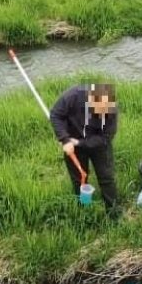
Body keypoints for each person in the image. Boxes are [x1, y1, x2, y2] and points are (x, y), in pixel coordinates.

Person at [49, 83, 120, 216]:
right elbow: (55, 115)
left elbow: (106, 137)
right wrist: (64, 139)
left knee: (107, 178)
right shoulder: (72, 96)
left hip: (98, 144)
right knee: (79, 179)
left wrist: (81, 143)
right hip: (73, 140)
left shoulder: (111, 109)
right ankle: (84, 209)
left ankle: (113, 214)